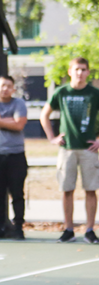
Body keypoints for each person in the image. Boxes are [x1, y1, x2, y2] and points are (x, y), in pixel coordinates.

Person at [40, 57, 99, 244]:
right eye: (77, 69)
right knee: (67, 190)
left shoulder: (94, 93)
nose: (80, 73)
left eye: (83, 69)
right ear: (70, 71)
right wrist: (52, 137)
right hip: (67, 149)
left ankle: (90, 230)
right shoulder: (62, 92)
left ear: (88, 72)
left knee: (90, 190)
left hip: (89, 149)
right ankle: (68, 229)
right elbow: (44, 115)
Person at [0, 76, 28, 240]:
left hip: (16, 155)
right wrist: (10, 121)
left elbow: (19, 124)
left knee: (17, 194)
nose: (5, 89)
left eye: (9, 86)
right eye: (2, 86)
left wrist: (0, 120)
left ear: (13, 89)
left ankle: (18, 228)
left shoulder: (19, 103)